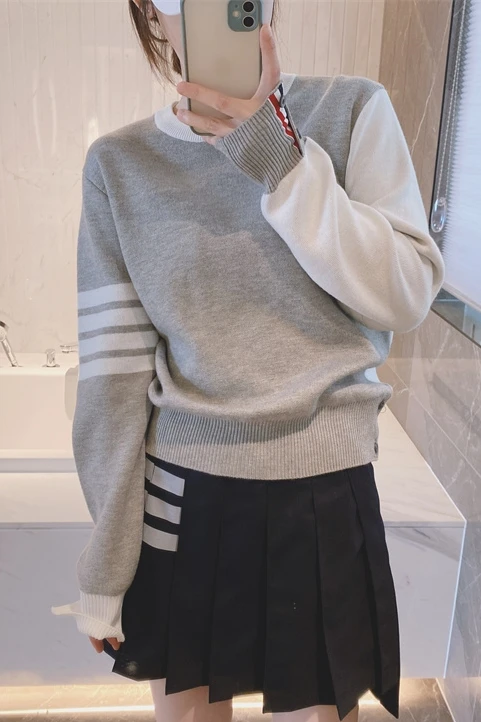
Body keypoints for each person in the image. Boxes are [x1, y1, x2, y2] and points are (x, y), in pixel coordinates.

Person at [51, 1, 446, 721]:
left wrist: (280, 162)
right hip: (180, 498)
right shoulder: (120, 163)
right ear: (149, 12)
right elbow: (113, 383)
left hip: (323, 493)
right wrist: (106, 568)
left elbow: (407, 294)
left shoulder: (351, 110)